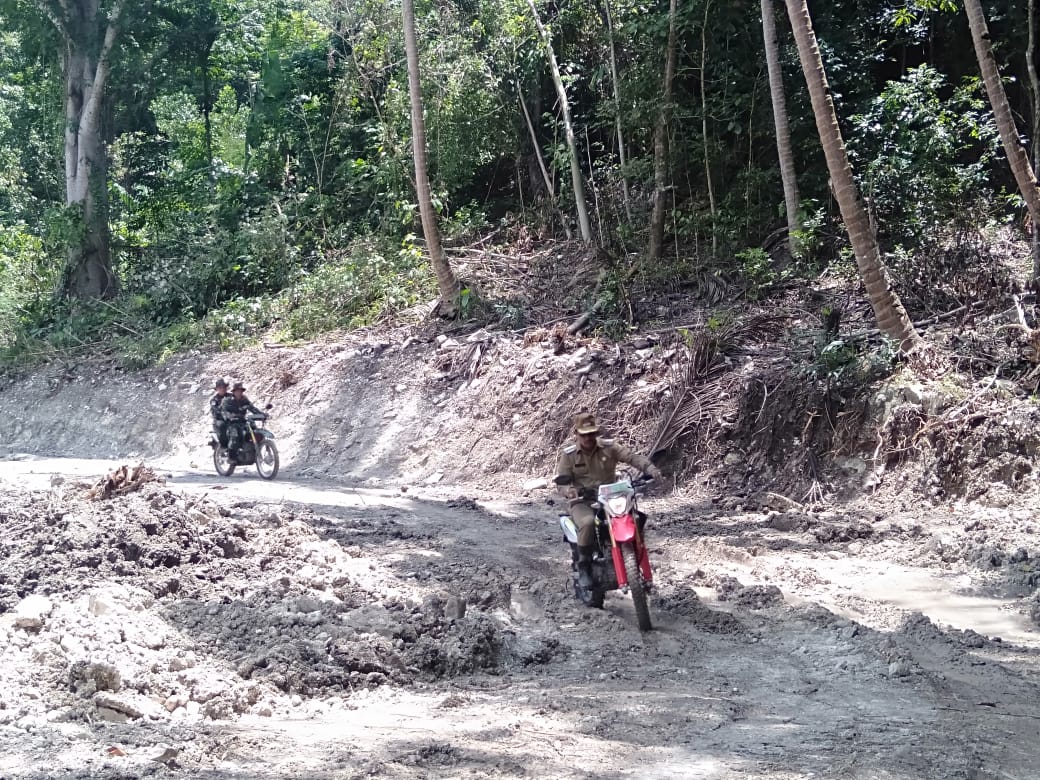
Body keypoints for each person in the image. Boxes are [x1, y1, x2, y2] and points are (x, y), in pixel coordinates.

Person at [555, 412, 662, 587]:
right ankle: (585, 566)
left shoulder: (609, 447)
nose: (588, 437)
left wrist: (650, 469)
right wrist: (569, 491)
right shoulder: (570, 455)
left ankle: (636, 558)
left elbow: (632, 457)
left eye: (592, 433)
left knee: (636, 517)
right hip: (583, 501)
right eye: (584, 434)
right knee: (588, 523)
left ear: (597, 432)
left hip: (611, 498)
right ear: (577, 434)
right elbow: (562, 482)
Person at [221, 382, 264, 456]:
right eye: (237, 391)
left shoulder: (244, 399)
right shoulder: (227, 400)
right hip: (231, 423)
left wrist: (261, 415)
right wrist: (231, 416)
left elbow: (252, 408)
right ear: (233, 392)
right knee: (236, 436)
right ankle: (232, 456)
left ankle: (253, 449)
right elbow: (224, 411)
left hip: (243, 421)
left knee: (255, 430)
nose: (239, 392)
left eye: (240, 391)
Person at [209, 379, 229, 447]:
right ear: (217, 389)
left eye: (224, 387)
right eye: (220, 388)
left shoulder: (232, 396)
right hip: (220, 420)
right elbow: (215, 411)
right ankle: (224, 447)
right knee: (222, 425)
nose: (223, 389)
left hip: (233, 419)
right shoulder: (214, 400)